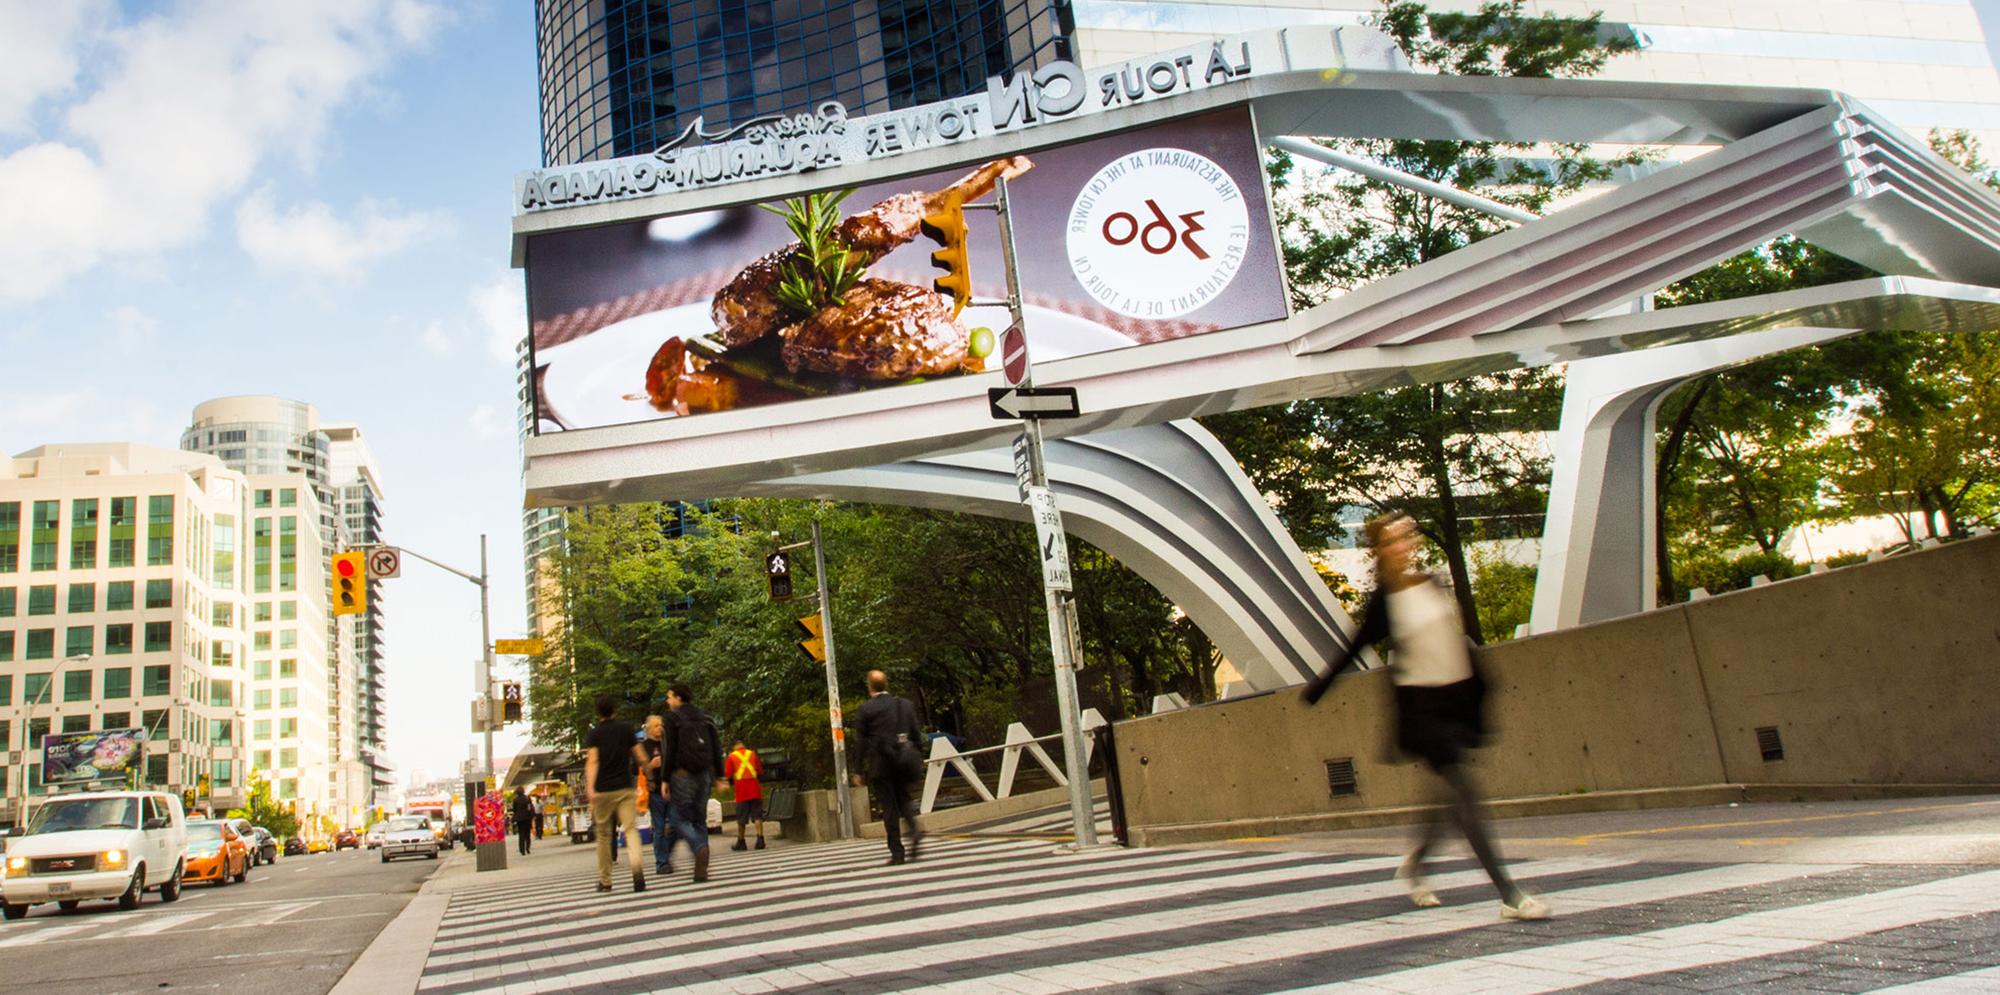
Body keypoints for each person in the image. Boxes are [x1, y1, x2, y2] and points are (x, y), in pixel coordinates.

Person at [1302, 513, 1550, 921]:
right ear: (1380, 551)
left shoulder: (1433, 583)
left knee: (1446, 801)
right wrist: (1320, 687)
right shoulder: (1384, 601)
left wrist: (1481, 688)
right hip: (1422, 710)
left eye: (1406, 538)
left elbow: (1453, 641)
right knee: (1464, 793)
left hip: (1455, 700)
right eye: (1392, 540)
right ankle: (1510, 894)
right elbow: (1355, 647)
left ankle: (1416, 865)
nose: (1403, 546)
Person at [851, 669, 924, 865]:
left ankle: (897, 852)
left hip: (881, 764)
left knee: (889, 807)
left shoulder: (866, 710)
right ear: (886, 685)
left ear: (870, 687)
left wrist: (858, 770)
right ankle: (914, 830)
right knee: (904, 799)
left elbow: (861, 742)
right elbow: (916, 734)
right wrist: (918, 755)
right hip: (903, 761)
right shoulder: (904, 705)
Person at [583, 694, 649, 893]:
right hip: (624, 788)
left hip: (603, 791)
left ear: (598, 712)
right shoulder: (626, 729)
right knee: (630, 830)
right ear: (615, 710)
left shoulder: (594, 735)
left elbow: (593, 761)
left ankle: (605, 880)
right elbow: (639, 755)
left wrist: (591, 788)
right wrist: (648, 769)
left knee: (603, 835)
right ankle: (637, 873)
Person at [660, 683, 725, 882]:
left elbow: (668, 749)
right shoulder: (705, 717)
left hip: (682, 774)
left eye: (670, 696)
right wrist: (720, 775)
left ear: (679, 698)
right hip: (704, 773)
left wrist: (664, 778)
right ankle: (701, 868)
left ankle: (698, 847)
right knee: (700, 819)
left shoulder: (671, 719)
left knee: (679, 819)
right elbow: (716, 746)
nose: (667, 700)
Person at [642, 714, 681, 874]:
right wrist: (650, 765)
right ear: (649, 729)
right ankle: (662, 862)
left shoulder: (669, 743)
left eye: (661, 725)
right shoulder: (644, 747)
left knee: (676, 824)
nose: (660, 729)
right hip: (655, 791)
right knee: (658, 828)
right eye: (656, 726)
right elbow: (634, 769)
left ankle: (667, 852)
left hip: (672, 790)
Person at [724, 739, 766, 851]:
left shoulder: (732, 757)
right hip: (755, 789)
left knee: (741, 818)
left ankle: (741, 841)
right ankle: (760, 839)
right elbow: (760, 772)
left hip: (742, 791)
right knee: (757, 815)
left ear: (734, 747)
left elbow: (727, 775)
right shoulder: (752, 754)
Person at [511, 789, 535, 856]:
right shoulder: (527, 798)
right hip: (527, 818)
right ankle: (527, 848)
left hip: (520, 819)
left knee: (521, 835)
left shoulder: (515, 800)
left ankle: (522, 850)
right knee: (527, 834)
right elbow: (530, 807)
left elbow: (514, 810)